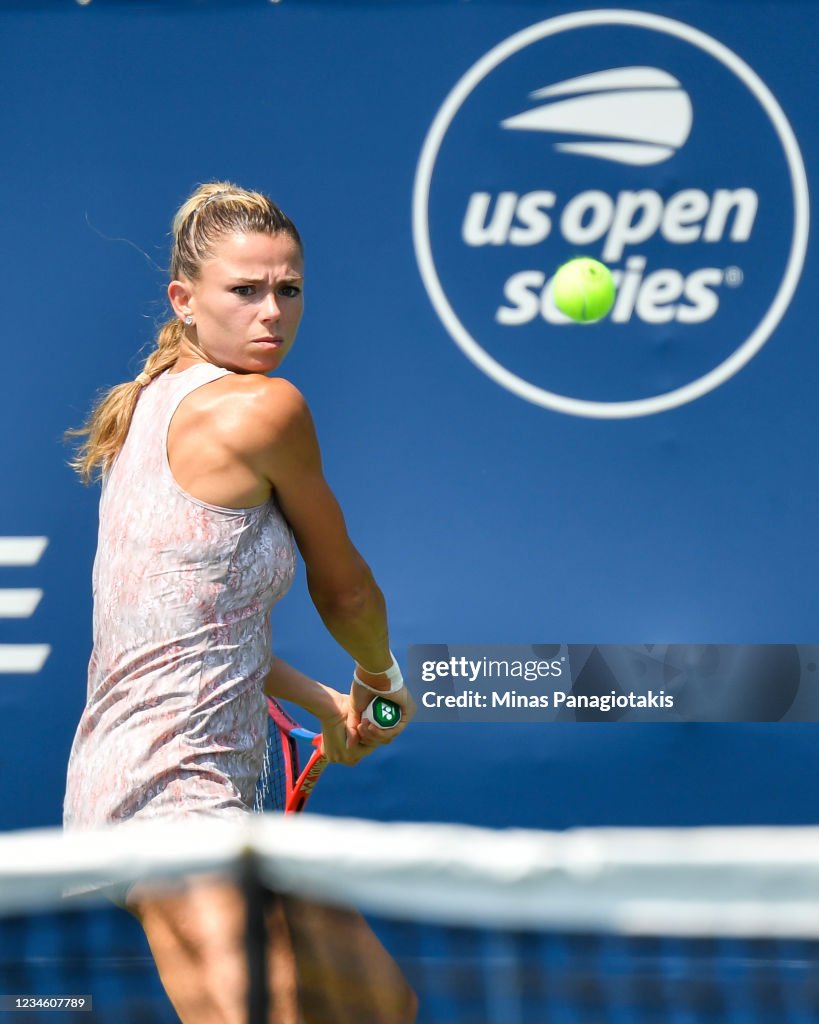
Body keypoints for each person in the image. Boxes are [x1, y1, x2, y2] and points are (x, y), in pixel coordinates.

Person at [64, 181, 417, 1023]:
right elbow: (346, 588)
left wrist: (322, 702)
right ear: (183, 301)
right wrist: (379, 674)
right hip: (166, 794)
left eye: (288, 290)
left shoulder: (147, 404)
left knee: (377, 1006)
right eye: (245, 291)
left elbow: (193, 633)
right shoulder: (264, 409)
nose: (273, 313)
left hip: (194, 782)